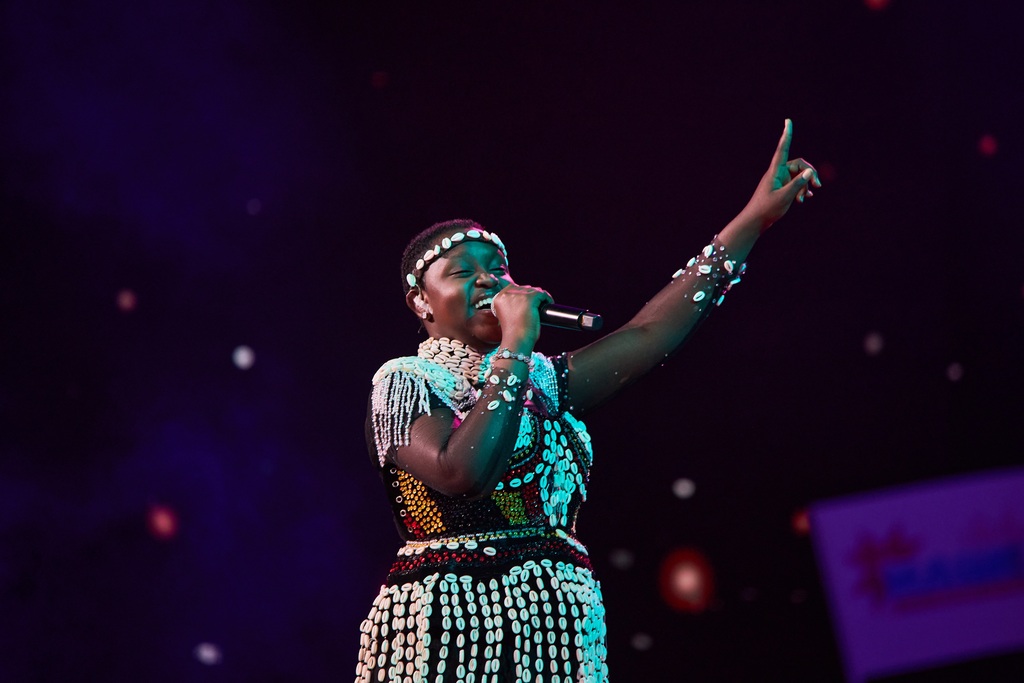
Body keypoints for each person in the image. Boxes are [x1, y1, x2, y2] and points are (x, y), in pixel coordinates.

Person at [355, 120, 820, 682]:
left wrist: (753, 221)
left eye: (498, 270)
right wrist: (516, 344)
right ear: (421, 302)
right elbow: (461, 472)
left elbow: (648, 334)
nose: (489, 281)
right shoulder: (405, 381)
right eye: (463, 273)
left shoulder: (543, 382)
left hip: (556, 637)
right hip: (451, 639)